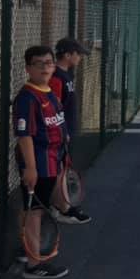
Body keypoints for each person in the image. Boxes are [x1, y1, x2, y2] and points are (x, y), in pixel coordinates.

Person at [13, 46, 72, 279]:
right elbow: (24, 135)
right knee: (35, 212)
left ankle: (28, 250)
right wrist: (30, 167)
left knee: (34, 210)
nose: (45, 67)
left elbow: (57, 124)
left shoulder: (49, 93)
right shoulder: (27, 98)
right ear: (28, 68)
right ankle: (34, 266)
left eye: (49, 63)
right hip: (38, 164)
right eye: (39, 63)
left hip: (52, 162)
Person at [47, 38, 91, 226]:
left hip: (67, 131)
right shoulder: (57, 77)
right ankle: (62, 208)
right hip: (60, 133)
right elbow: (53, 107)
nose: (80, 57)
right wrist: (60, 132)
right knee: (58, 171)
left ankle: (62, 205)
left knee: (62, 169)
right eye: (78, 54)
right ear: (67, 55)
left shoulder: (66, 75)